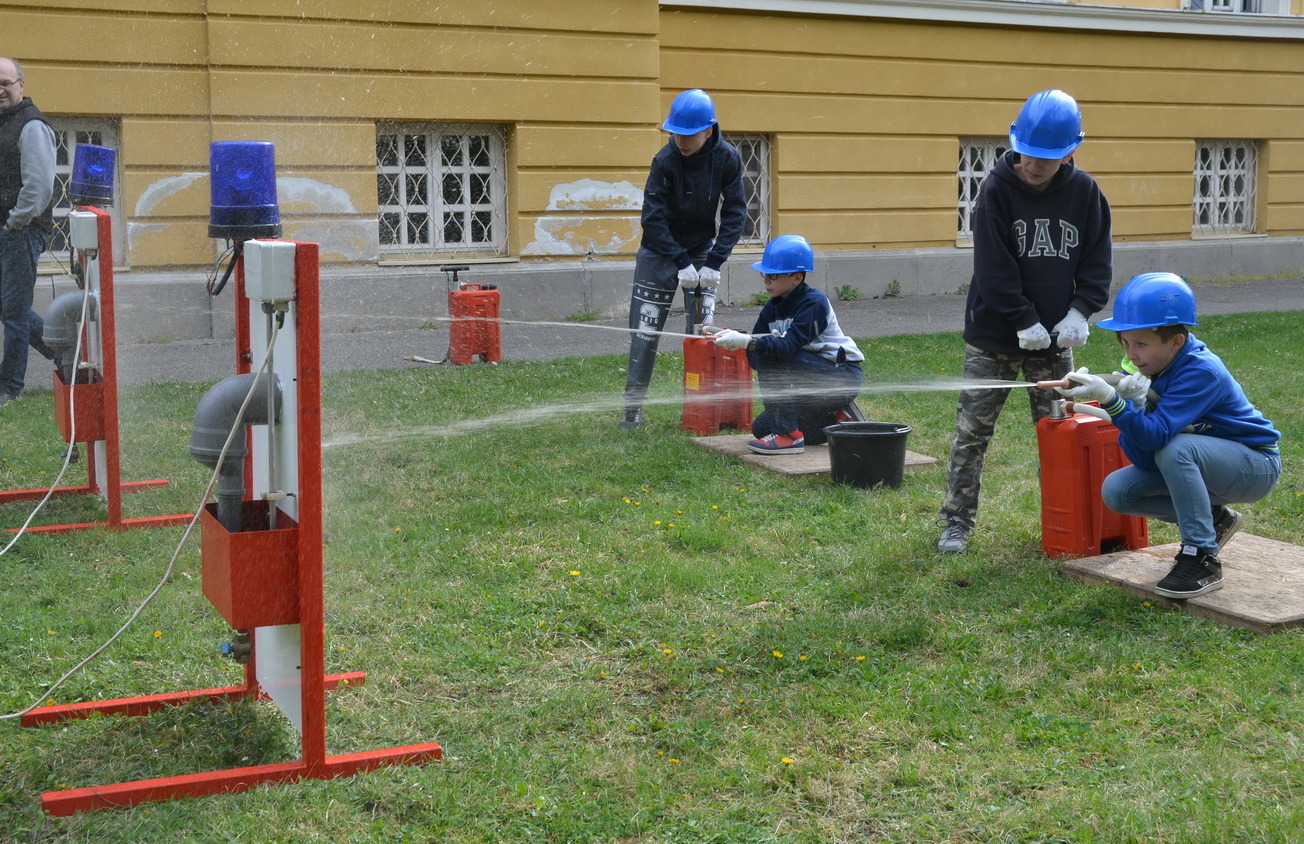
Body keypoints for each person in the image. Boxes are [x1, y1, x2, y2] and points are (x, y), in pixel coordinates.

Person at [937, 89, 1113, 553]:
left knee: (1063, 433)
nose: (1033, 165)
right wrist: (1021, 318)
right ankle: (956, 523)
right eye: (1027, 154)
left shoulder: (1086, 192)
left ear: (1070, 152)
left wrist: (1080, 311)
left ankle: (1068, 522)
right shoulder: (995, 190)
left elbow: (1097, 261)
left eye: (1047, 158)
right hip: (993, 334)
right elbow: (992, 268)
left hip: (1055, 340)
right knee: (971, 433)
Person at [1055, 272, 1281, 598]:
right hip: (1212, 465)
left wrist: (1114, 402)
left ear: (1176, 341)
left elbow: (1159, 439)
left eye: (1141, 344)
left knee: (1177, 449)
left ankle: (1202, 558)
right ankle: (1214, 520)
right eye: (1126, 343)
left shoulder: (1201, 371)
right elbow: (1145, 458)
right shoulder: (1151, 369)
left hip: (1255, 466)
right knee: (1119, 491)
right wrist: (1131, 407)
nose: (1131, 355)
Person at [620, 88, 747, 429]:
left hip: (702, 250)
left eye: (688, 134)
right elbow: (652, 218)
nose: (680, 140)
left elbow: (735, 213)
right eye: (675, 132)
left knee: (703, 333)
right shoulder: (665, 161)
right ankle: (632, 410)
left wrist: (714, 261)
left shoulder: (727, 158)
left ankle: (700, 411)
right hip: (658, 251)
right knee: (645, 334)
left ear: (708, 130)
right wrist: (679, 260)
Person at [710, 234, 863, 454]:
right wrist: (745, 343)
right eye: (765, 274)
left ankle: (789, 437)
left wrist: (751, 343)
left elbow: (787, 348)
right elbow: (756, 359)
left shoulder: (814, 303)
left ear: (796, 278)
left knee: (773, 356)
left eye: (773, 275)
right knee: (762, 428)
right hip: (810, 386)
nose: (766, 280)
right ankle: (840, 420)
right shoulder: (771, 308)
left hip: (841, 378)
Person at [0, 56, 59, 406]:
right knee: (9, 306)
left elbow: (39, 187)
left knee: (14, 311)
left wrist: (14, 222)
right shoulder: (5, 122)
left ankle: (9, 386)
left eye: (5, 83)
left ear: (21, 86)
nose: (0, 90)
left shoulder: (32, 125)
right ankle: (62, 351)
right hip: (8, 229)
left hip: (21, 230)